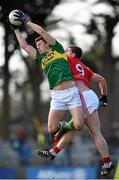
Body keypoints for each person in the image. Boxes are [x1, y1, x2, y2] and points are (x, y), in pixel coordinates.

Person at [37, 46, 114, 176]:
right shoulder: (83, 66)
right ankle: (107, 163)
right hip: (90, 95)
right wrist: (104, 98)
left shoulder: (67, 59)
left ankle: (57, 140)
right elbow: (102, 80)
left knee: (77, 126)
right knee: (90, 132)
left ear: (72, 53)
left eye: (67, 51)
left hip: (83, 97)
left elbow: (53, 52)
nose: (64, 52)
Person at [9, 10, 85, 143]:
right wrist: (15, 29)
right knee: (51, 129)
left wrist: (27, 21)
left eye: (39, 44)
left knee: (79, 125)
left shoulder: (58, 49)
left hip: (72, 92)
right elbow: (24, 46)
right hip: (57, 96)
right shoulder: (41, 58)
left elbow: (42, 32)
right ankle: (61, 126)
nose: (37, 47)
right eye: (37, 45)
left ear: (47, 44)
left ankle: (65, 126)